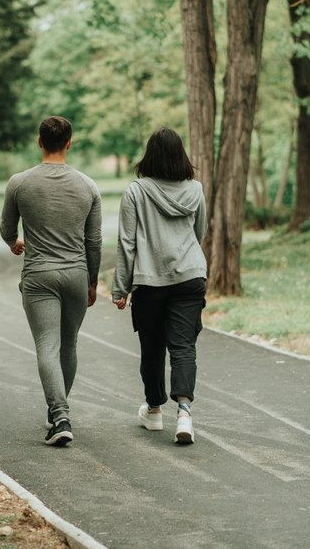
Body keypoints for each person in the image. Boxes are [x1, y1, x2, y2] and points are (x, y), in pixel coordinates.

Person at [0, 116, 102, 446]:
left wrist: (15, 242)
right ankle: (58, 412)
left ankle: (59, 414)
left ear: (40, 142)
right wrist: (92, 280)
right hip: (75, 274)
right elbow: (94, 240)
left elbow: (6, 229)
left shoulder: (19, 183)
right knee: (68, 344)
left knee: (47, 345)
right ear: (69, 143)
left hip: (39, 276)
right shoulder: (88, 186)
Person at [111, 128, 207, 444]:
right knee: (183, 346)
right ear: (182, 156)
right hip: (190, 276)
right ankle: (184, 414)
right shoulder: (196, 190)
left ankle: (153, 410)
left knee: (152, 348)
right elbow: (200, 231)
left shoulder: (136, 191)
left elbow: (126, 243)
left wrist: (120, 287)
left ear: (149, 155)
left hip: (149, 281)